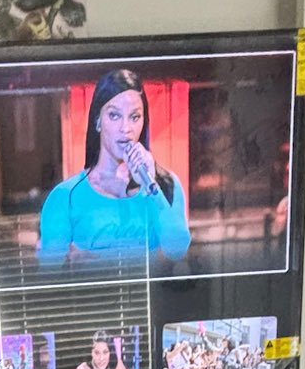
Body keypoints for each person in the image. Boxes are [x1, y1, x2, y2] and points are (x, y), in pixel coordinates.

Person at [38, 68, 191, 267]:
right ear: (98, 122)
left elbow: (177, 251)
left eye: (135, 117)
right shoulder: (65, 196)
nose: (126, 129)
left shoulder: (167, 185)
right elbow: (50, 272)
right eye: (114, 115)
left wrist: (152, 186)